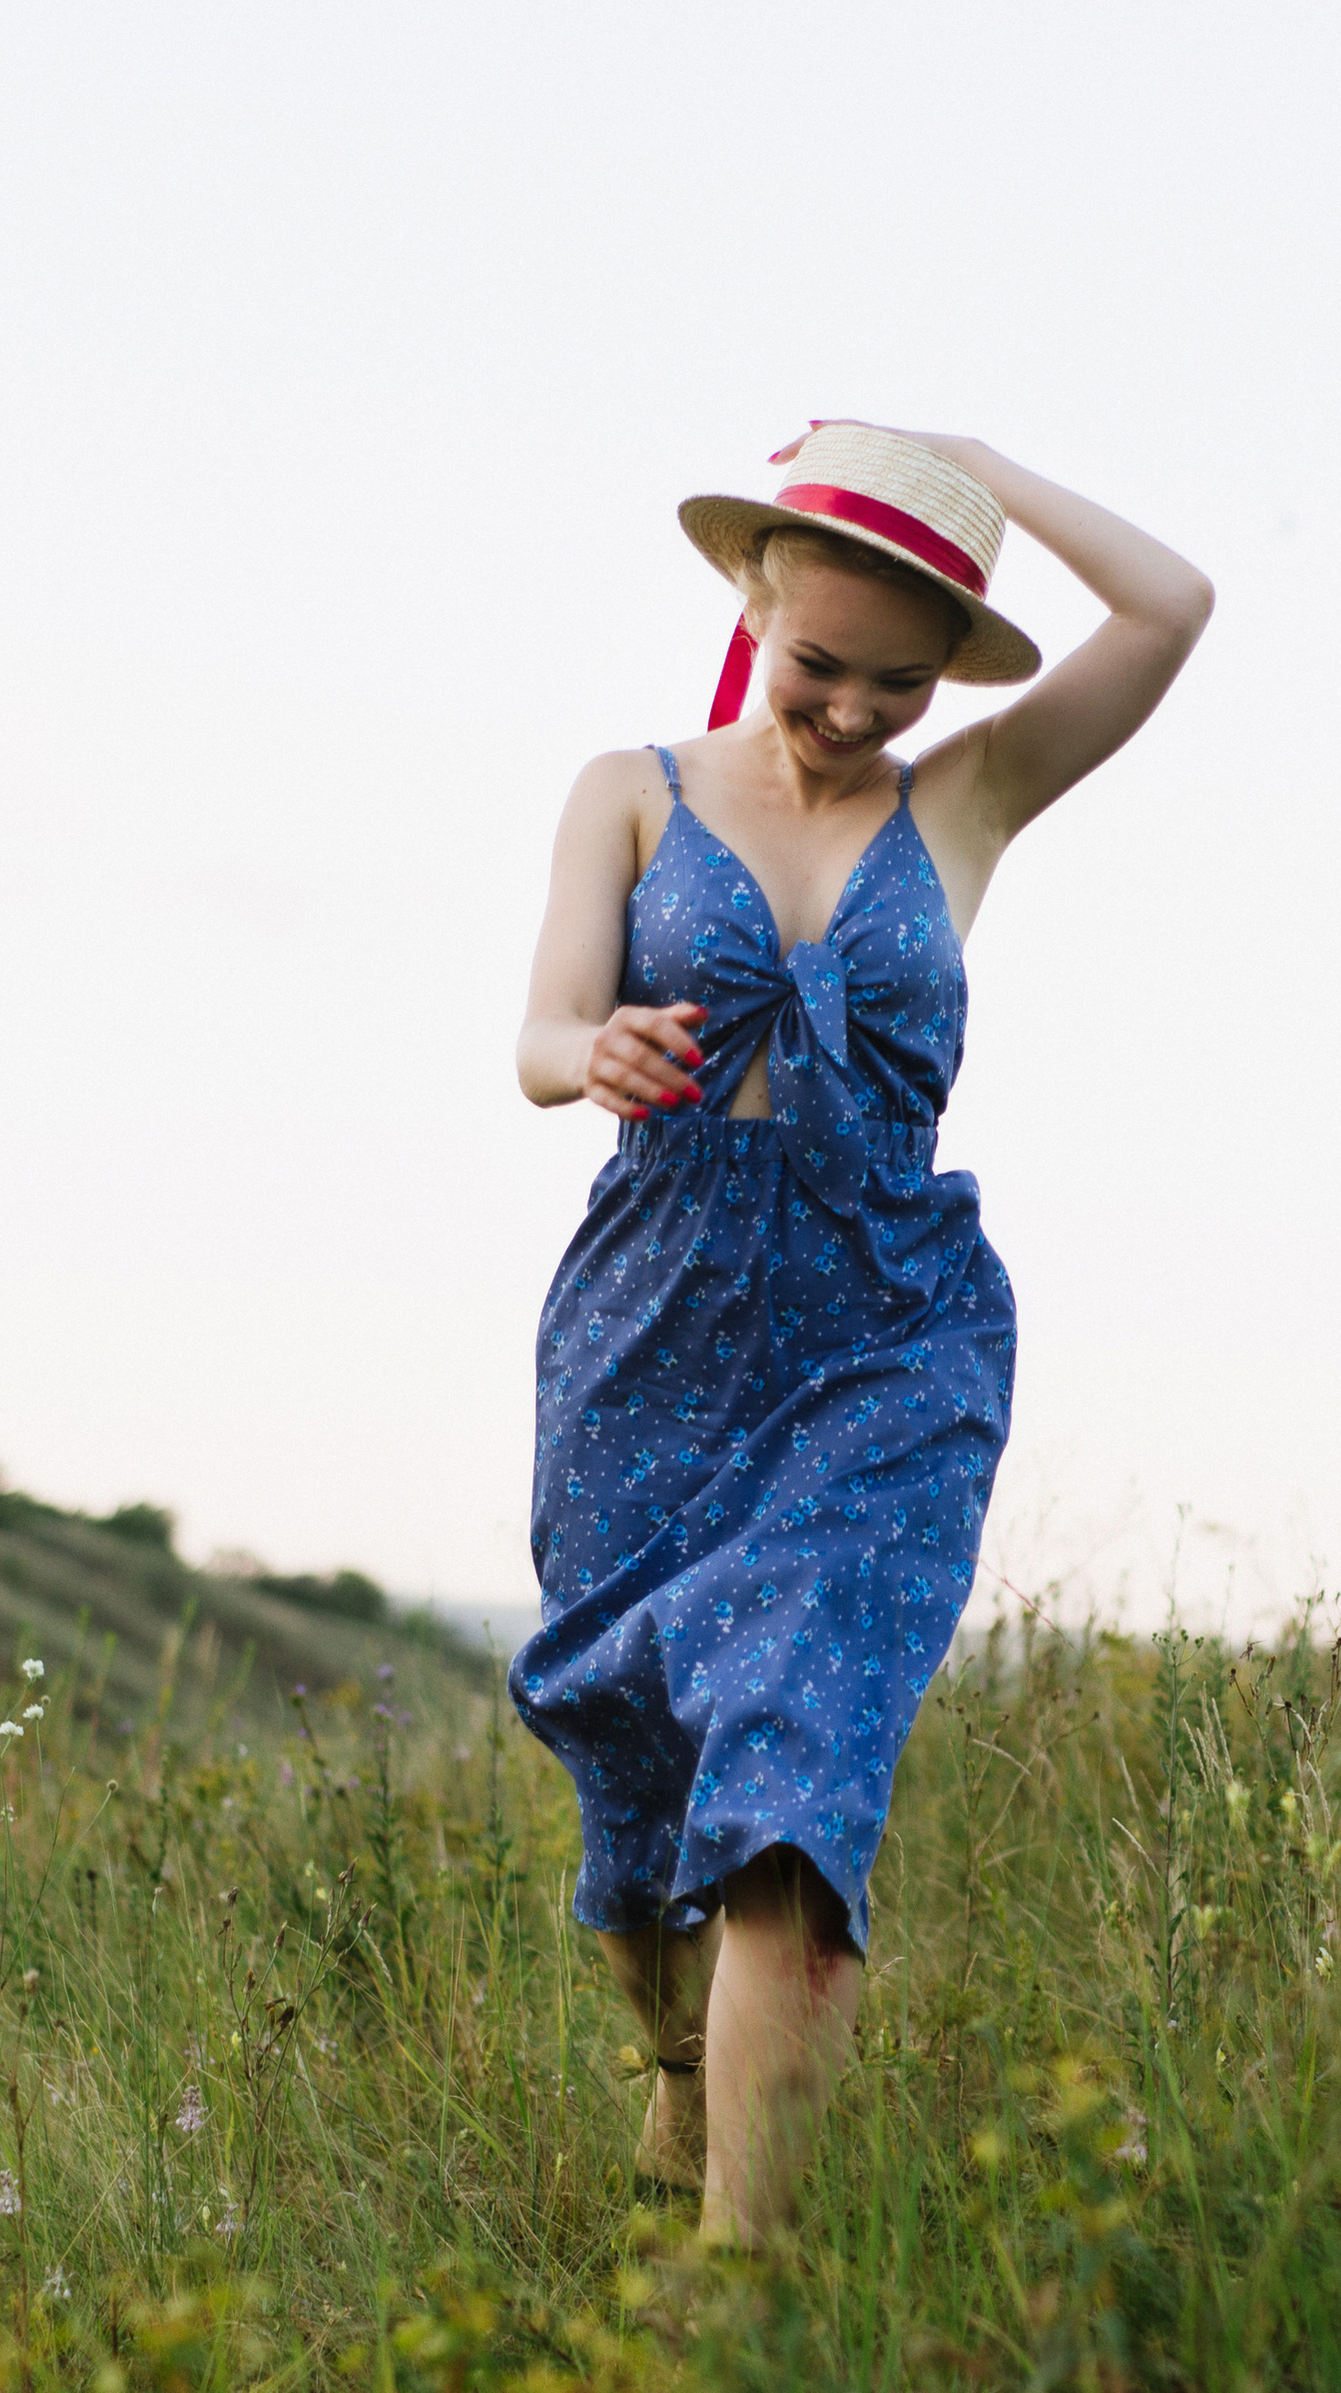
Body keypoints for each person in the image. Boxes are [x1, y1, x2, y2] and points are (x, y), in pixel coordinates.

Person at [512, 423, 1211, 2247]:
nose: (848, 712)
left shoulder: (965, 801)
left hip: (884, 1334)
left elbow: (1172, 604)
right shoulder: (633, 789)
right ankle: (679, 2067)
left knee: (796, 1766)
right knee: (640, 1772)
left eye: (898, 684)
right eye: (820, 664)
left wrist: (978, 469)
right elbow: (540, 1029)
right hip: (652, 1321)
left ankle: (745, 2283)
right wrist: (590, 1055)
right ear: (752, 600)